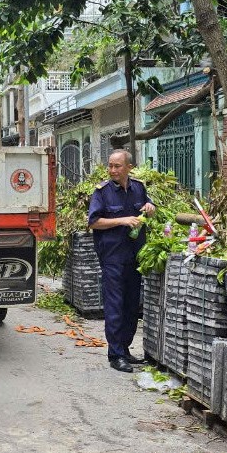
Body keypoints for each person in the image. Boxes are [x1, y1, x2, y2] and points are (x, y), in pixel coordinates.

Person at [87, 149, 156, 373]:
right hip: (112, 257)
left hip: (135, 256)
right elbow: (94, 222)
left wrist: (149, 208)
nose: (113, 170)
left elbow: (148, 207)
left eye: (117, 166)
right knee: (115, 305)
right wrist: (122, 220)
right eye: (110, 166)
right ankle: (115, 354)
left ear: (129, 168)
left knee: (131, 304)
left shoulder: (138, 187)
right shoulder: (102, 192)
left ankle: (125, 350)